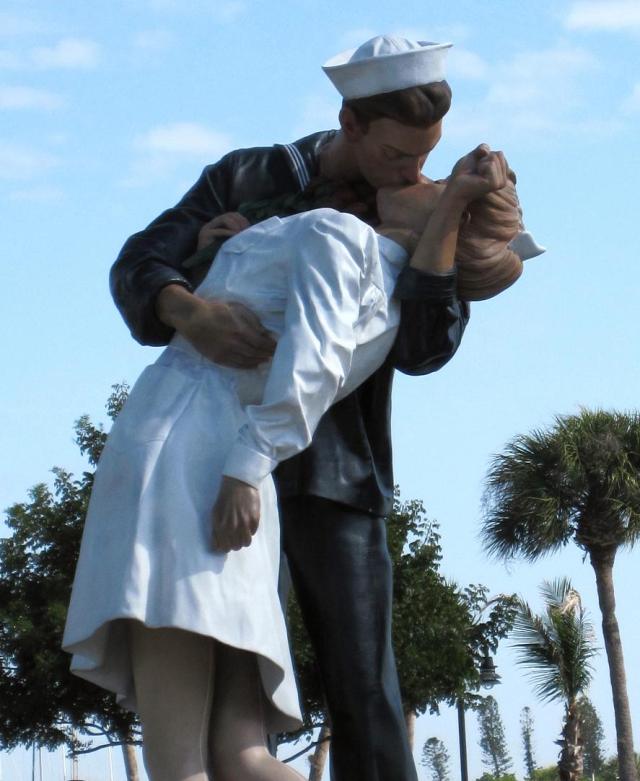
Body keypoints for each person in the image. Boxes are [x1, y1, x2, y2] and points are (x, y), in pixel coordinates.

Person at [106, 34, 541, 780]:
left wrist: (442, 228)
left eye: (426, 155)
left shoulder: (427, 212)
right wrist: (190, 308)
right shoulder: (250, 176)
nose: (413, 171)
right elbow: (140, 263)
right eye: (397, 154)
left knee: (362, 685)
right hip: (211, 455)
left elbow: (424, 349)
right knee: (227, 696)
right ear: (350, 123)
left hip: (334, 473)